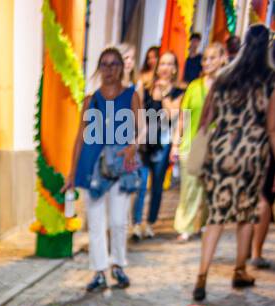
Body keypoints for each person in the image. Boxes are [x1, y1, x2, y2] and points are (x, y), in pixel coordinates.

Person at [193, 24, 275, 300]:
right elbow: (272, 126)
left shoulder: (225, 76)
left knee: (215, 215)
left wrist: (201, 151)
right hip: (251, 154)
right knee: (246, 214)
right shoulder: (269, 79)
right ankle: (239, 270)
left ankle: (202, 275)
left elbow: (206, 119)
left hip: (220, 152)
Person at [65, 47, 141, 292]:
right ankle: (99, 271)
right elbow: (79, 137)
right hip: (92, 167)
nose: (109, 70)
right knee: (96, 222)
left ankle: (118, 265)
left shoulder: (131, 95)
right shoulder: (91, 100)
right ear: (99, 69)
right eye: (105, 64)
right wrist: (71, 173)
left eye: (114, 64)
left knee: (119, 221)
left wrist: (133, 146)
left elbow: (142, 128)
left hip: (120, 165)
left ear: (122, 67)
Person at [173, 42, 227, 239]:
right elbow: (183, 117)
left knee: (210, 188)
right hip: (191, 144)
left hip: (217, 146)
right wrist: (175, 144)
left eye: (213, 58)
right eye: (205, 58)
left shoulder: (227, 87)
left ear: (223, 59)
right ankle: (184, 226)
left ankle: (204, 222)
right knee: (189, 188)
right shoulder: (194, 87)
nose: (207, 62)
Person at [133, 51, 183, 238]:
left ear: (174, 69)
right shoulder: (145, 88)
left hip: (162, 144)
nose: (165, 68)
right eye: (162, 63)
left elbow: (173, 116)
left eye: (170, 64)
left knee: (157, 186)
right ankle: (137, 223)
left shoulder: (178, 92)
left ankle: (150, 222)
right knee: (140, 184)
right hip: (144, 143)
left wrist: (162, 95)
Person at [251, 153, 274, 267]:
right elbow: (272, 134)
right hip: (267, 155)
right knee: (264, 200)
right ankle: (256, 253)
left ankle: (247, 251)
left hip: (248, 152)